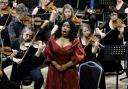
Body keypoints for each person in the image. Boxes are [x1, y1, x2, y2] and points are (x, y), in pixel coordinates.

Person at [44, 19, 85, 89]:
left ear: (71, 29)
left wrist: (65, 66)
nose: (65, 28)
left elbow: (80, 56)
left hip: (69, 71)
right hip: (54, 70)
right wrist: (57, 66)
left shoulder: (75, 42)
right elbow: (48, 54)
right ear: (61, 27)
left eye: (68, 27)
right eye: (63, 26)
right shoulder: (52, 39)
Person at [96, 6, 125, 72]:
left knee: (109, 50)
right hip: (107, 43)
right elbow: (97, 28)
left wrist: (121, 32)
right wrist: (101, 33)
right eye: (112, 15)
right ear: (109, 15)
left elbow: (120, 38)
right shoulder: (107, 21)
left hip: (116, 43)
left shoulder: (120, 23)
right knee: (102, 52)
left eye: (115, 14)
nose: (114, 16)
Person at [78, 23, 106, 89]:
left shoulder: (92, 39)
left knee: (101, 70)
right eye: (85, 31)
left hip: (93, 60)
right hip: (83, 61)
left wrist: (96, 46)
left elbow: (93, 52)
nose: (87, 32)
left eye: (88, 30)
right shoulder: (78, 40)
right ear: (81, 32)